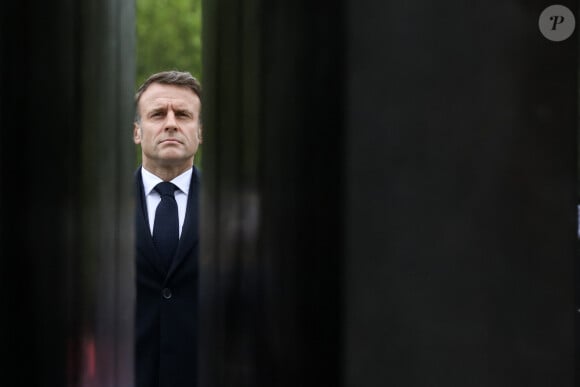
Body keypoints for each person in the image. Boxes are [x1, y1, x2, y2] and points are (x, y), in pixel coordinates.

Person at [133, 70, 202, 387]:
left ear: (199, 132)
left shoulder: (232, 209)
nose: (171, 123)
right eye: (158, 114)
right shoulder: (100, 208)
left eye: (184, 115)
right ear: (137, 131)